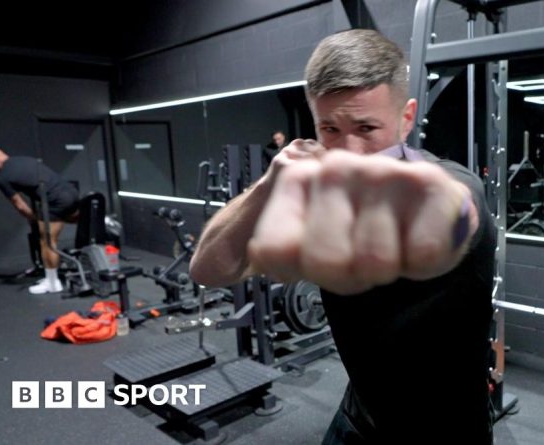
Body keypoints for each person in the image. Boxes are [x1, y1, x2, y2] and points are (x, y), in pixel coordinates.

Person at [190, 29, 496, 444]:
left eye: (367, 128)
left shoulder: (452, 184)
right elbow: (208, 269)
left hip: (445, 430)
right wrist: (269, 185)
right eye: (330, 129)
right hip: (360, 415)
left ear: (406, 119)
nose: (348, 151)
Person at [0, 147, 80, 293]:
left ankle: (52, 283)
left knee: (47, 241)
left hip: (54, 201)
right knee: (70, 218)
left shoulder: (3, 177)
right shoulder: (25, 159)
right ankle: (102, 221)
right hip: (71, 192)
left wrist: (34, 219)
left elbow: (20, 206)